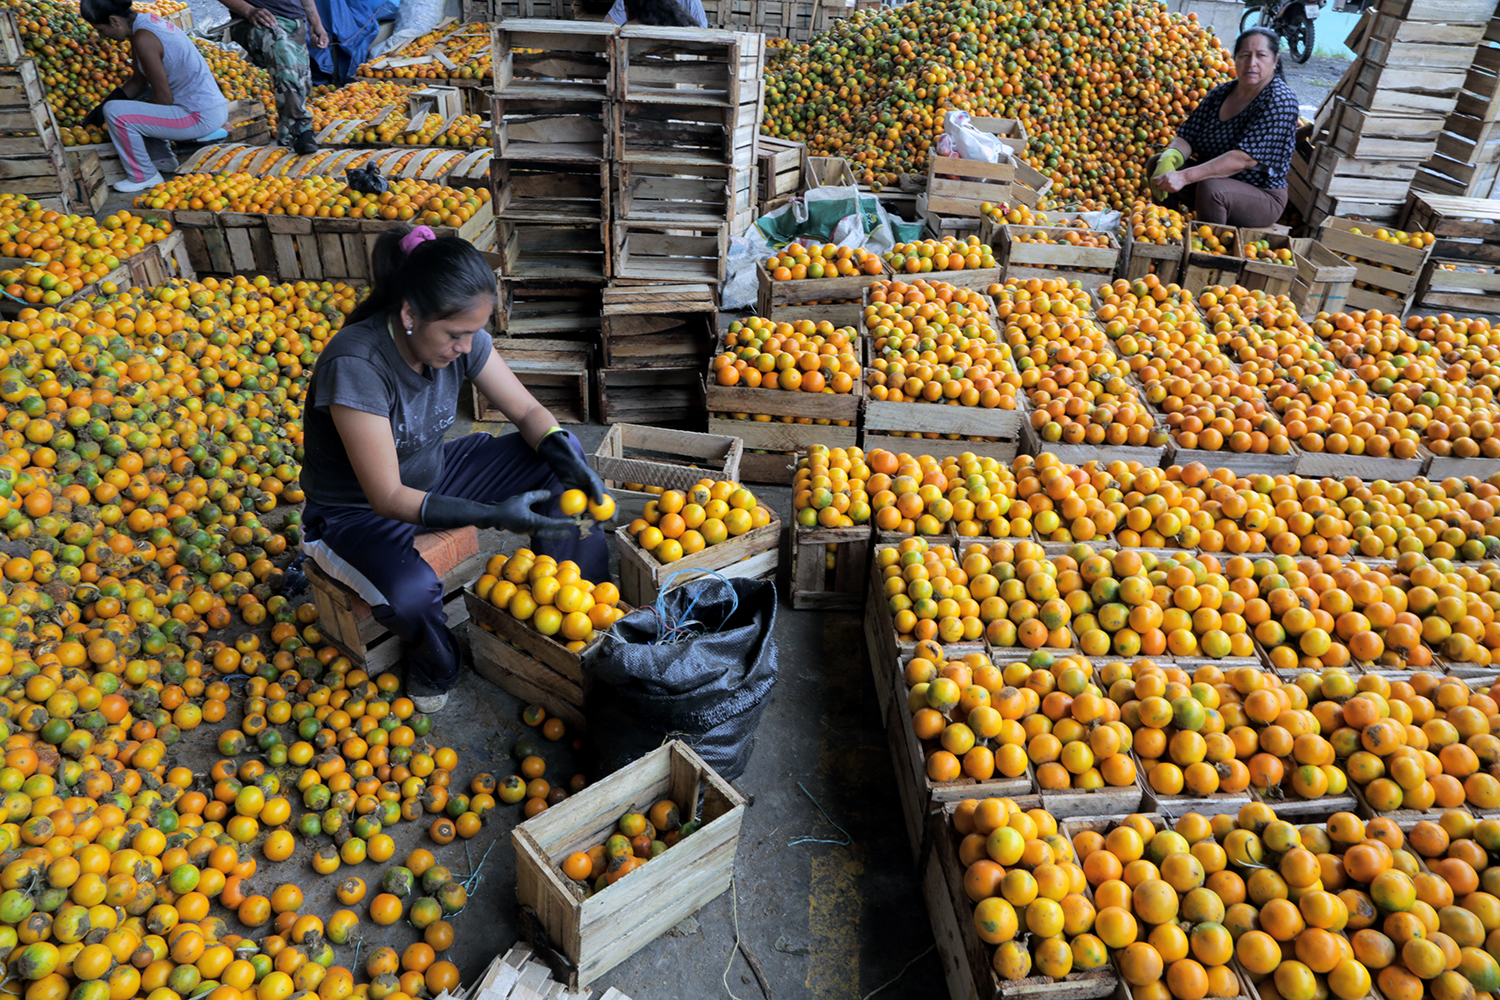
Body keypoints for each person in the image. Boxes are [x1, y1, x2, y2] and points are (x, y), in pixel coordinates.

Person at [299, 225, 609, 712]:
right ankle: (436, 663)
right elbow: (387, 498)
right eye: (456, 335)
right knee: (409, 593)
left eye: (474, 333)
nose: (466, 347)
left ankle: (582, 607)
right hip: (354, 512)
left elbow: (528, 413)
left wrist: (569, 459)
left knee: (561, 453)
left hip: (434, 473)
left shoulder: (458, 338)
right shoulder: (357, 363)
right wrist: (493, 514)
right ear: (409, 315)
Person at [1148, 27, 1298, 228]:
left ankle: (1207, 253)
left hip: (1261, 195)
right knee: (1156, 164)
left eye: (1261, 56)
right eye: (1244, 55)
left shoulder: (1281, 100)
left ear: (1275, 61)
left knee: (1213, 188)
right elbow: (1188, 134)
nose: (1251, 63)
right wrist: (1171, 157)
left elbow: (1243, 158)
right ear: (1235, 59)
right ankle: (1167, 230)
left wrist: (1183, 177)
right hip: (1207, 184)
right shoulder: (1223, 92)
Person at [80, 0, 229, 193]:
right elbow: (139, 82)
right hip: (206, 108)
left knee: (118, 113)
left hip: (199, 115)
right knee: (127, 106)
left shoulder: (144, 39)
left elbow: (163, 99)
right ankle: (163, 161)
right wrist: (100, 110)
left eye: (101, 30)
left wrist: (111, 112)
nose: (102, 36)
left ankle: (143, 176)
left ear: (114, 21)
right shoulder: (143, 25)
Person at [216, 0, 329, 154]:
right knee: (285, 61)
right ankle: (301, 127)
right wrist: (248, 10)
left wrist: (316, 23)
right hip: (260, 21)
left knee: (299, 83)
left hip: (295, 21)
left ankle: (285, 141)